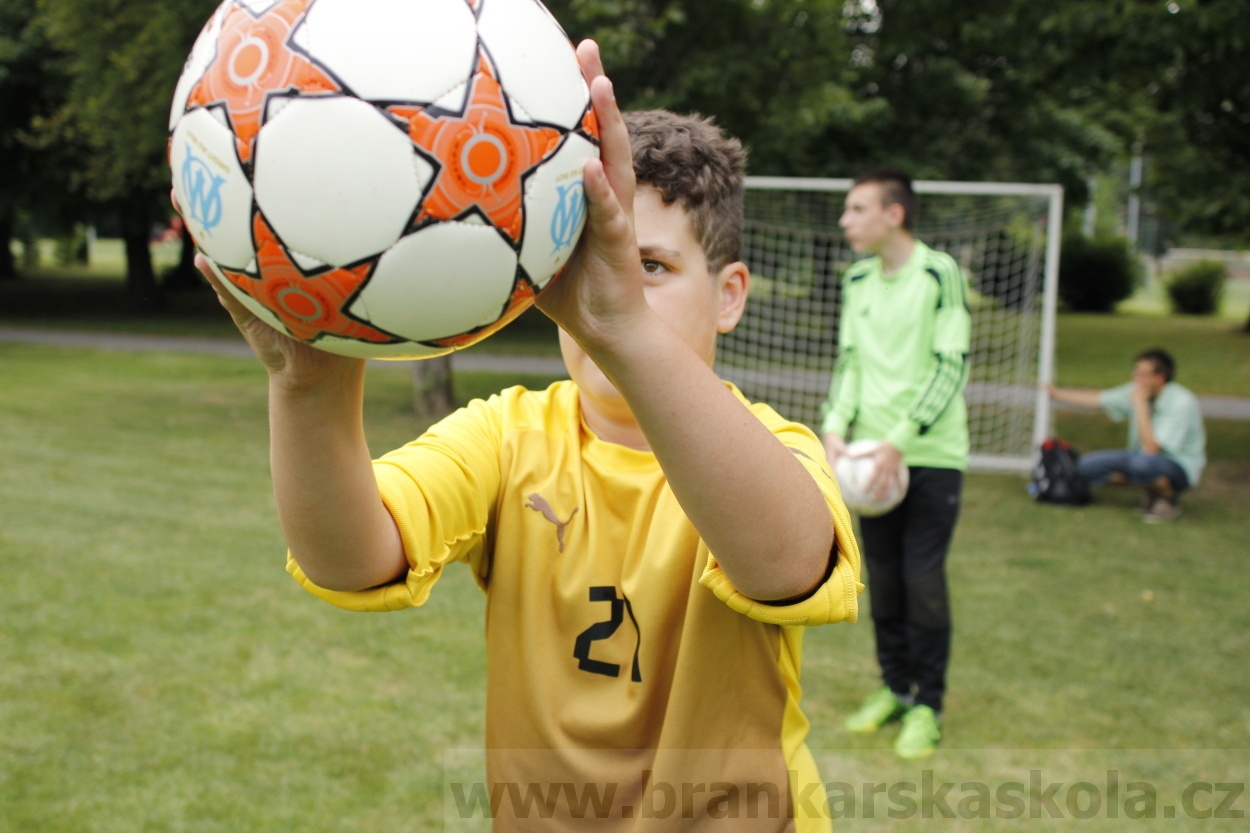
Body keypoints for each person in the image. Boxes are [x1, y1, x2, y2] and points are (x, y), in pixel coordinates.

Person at [191, 41, 862, 831]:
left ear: (730, 295)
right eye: (587, 262)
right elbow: (347, 557)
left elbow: (784, 563)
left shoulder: (768, 445)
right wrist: (309, 389)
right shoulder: (510, 435)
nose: (616, 291)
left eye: (649, 265)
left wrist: (623, 332)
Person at [819, 169, 970, 760]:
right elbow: (850, 362)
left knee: (921, 579)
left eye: (857, 209)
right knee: (881, 578)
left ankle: (927, 706)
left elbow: (949, 364)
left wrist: (899, 441)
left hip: (928, 455)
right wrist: (835, 426)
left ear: (894, 215)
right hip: (866, 459)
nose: (845, 220)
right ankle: (893, 689)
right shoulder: (856, 279)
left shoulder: (940, 273)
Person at [1048, 348, 1206, 522]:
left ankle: (1167, 499)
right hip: (1138, 457)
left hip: (1176, 465)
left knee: (1143, 464)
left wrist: (1140, 405)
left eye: (1143, 375)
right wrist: (1057, 394)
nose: (1136, 379)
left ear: (1160, 378)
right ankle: (1150, 490)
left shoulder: (1180, 401)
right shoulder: (1136, 390)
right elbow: (1100, 399)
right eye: (1136, 372)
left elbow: (1152, 448)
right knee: (1085, 467)